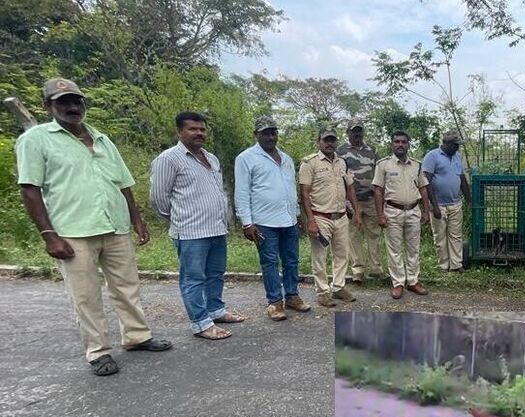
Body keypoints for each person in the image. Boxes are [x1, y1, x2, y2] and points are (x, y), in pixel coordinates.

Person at [15, 77, 172, 375]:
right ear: (47, 105)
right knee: (85, 294)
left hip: (114, 225)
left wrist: (136, 220)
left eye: (77, 101)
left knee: (127, 286)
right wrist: (49, 235)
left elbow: (124, 183)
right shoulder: (36, 139)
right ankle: (98, 351)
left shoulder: (101, 138)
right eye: (64, 102)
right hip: (73, 230)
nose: (72, 107)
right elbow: (29, 189)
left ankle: (136, 336)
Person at [150, 111, 245, 340]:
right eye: (193, 129)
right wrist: (180, 219)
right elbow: (158, 198)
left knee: (215, 274)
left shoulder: (211, 158)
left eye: (202, 129)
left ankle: (216, 310)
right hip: (191, 232)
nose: (199, 133)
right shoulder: (169, 159)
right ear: (179, 131)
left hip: (216, 228)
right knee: (193, 278)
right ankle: (201, 323)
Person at [234, 116, 311, 321]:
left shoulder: (285, 158)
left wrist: (297, 214)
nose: (270, 136)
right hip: (264, 222)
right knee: (269, 262)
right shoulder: (246, 158)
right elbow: (242, 192)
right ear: (256, 135)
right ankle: (275, 302)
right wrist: (247, 222)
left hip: (288, 219)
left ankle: (292, 296)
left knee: (292, 260)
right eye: (265, 133)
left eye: (273, 132)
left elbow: (290, 188)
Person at [299, 128, 362, 308]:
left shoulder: (342, 162)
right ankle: (323, 292)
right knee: (319, 257)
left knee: (342, 254)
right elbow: (304, 192)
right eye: (326, 140)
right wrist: (310, 220)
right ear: (318, 141)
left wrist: (356, 213)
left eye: (333, 140)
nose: (330, 143)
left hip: (341, 216)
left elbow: (350, 189)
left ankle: (339, 287)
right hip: (320, 217)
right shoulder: (309, 163)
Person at [372, 130, 432, 300]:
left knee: (414, 249)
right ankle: (398, 283)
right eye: (397, 141)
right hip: (392, 211)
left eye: (403, 142)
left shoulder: (417, 165)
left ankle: (413, 281)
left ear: (408, 144)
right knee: (394, 250)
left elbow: (423, 187)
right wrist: (380, 215)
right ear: (392, 144)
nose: (400, 144)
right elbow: (378, 190)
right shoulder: (383, 165)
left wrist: (426, 211)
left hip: (413, 210)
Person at [336, 118, 385, 283]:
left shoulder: (372, 150)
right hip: (351, 201)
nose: (357, 133)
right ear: (347, 132)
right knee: (353, 235)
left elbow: (378, 174)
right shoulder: (340, 151)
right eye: (353, 130)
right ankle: (357, 270)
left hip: (370, 200)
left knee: (374, 234)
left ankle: (376, 269)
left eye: (359, 130)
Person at [423, 131, 471, 272]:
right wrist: (435, 206)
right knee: (440, 237)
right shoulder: (432, 156)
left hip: (455, 203)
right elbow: (426, 182)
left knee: (456, 236)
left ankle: (456, 265)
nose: (457, 148)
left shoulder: (457, 157)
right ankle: (444, 266)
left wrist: (469, 200)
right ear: (446, 144)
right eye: (455, 145)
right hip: (439, 205)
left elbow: (462, 179)